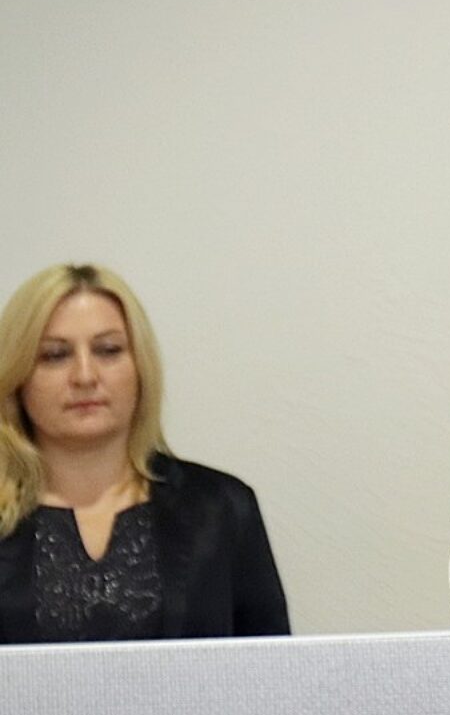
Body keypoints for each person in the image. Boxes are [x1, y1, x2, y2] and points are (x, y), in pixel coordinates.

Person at [0, 264, 289, 642]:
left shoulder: (220, 509)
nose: (85, 376)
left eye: (108, 350)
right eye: (55, 355)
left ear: (141, 366)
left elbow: (272, 667)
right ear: (17, 375)